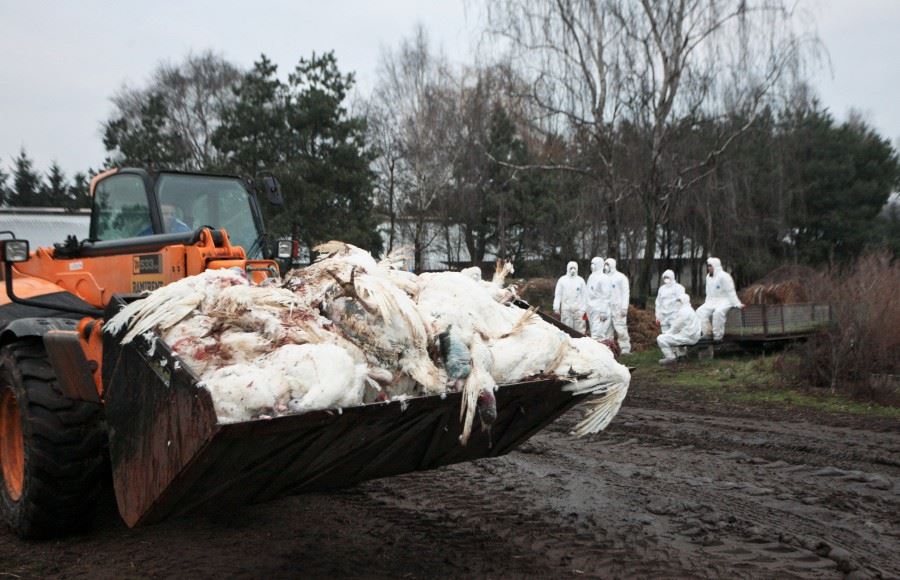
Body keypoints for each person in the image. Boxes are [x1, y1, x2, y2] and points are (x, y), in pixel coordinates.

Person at [696, 257, 743, 341]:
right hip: (712, 301)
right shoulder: (708, 277)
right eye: (708, 266)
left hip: (725, 300)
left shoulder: (724, 276)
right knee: (700, 312)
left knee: (718, 313)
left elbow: (730, 291)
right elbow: (708, 292)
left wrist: (737, 303)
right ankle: (706, 333)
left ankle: (718, 336)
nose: (708, 268)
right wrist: (707, 303)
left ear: (715, 266)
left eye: (710, 266)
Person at [657, 291, 701, 365]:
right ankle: (682, 356)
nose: (677, 303)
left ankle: (670, 358)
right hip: (693, 336)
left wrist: (666, 333)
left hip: (689, 337)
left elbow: (675, 327)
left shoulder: (683, 311)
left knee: (661, 338)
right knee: (677, 336)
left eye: (679, 301)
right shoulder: (690, 310)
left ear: (683, 301)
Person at [604, 258, 631, 354]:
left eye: (608, 264)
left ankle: (625, 348)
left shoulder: (620, 277)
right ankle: (609, 348)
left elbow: (625, 293)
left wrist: (624, 307)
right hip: (606, 308)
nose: (606, 266)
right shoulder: (603, 277)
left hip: (618, 308)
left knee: (620, 328)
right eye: (605, 264)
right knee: (606, 329)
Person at [553, 261, 587, 333]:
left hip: (578, 311)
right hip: (566, 311)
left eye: (574, 268)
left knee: (580, 332)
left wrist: (584, 310)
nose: (573, 270)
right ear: (568, 268)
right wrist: (556, 308)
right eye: (571, 268)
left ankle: (580, 344)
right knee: (566, 331)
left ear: (577, 269)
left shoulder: (580, 281)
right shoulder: (562, 280)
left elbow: (585, 296)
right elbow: (558, 295)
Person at [586, 256, 610, 340]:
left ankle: (600, 351)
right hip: (591, 309)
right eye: (591, 264)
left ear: (599, 265)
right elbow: (588, 293)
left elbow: (606, 296)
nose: (592, 266)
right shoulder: (591, 277)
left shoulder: (604, 278)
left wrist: (603, 311)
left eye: (594, 264)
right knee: (594, 333)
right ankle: (596, 351)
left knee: (598, 334)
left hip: (600, 310)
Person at [655, 269, 685, 333]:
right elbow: (658, 303)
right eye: (665, 277)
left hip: (674, 315)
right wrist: (658, 317)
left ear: (672, 277)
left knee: (675, 334)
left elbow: (681, 302)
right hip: (663, 316)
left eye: (668, 277)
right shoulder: (661, 289)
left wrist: (679, 315)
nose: (666, 279)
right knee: (665, 335)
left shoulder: (679, 288)